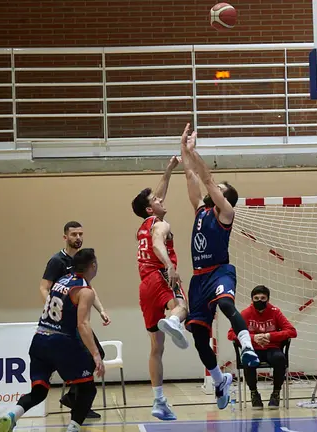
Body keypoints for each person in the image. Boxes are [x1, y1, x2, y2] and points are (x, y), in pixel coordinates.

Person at [178, 123, 259, 410]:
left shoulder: (226, 212)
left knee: (226, 305)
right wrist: (183, 147)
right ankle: (218, 380)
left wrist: (193, 151)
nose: (214, 187)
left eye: (220, 189)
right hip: (198, 279)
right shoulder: (201, 209)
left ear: (225, 196)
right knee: (200, 337)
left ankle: (247, 346)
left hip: (220, 272)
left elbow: (206, 177)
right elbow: (191, 175)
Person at [0, 249, 105, 432]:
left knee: (39, 391)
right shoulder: (85, 290)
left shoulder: (60, 281)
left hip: (39, 340)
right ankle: (73, 427)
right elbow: (83, 325)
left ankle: (12, 415)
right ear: (93, 265)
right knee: (88, 389)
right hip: (61, 342)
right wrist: (96, 355)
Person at [131, 156, 189, 421]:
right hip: (159, 275)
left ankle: (159, 402)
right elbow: (157, 244)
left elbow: (159, 192)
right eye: (155, 200)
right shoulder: (160, 224)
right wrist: (170, 265)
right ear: (150, 209)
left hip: (144, 286)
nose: (161, 199)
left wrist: (169, 168)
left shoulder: (142, 225)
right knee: (183, 308)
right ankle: (174, 321)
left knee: (156, 348)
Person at [39, 221, 108, 419]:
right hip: (64, 321)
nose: (78, 238)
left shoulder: (80, 260)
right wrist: (53, 309)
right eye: (74, 234)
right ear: (65, 237)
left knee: (96, 353)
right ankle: (78, 401)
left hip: (77, 318)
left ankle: (75, 398)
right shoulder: (57, 261)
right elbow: (44, 287)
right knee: (88, 355)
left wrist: (101, 310)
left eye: (80, 234)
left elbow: (88, 287)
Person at [227, 285, 297, 409]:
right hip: (253, 348)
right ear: (252, 299)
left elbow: (292, 331)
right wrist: (253, 337)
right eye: (256, 298)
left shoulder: (275, 311)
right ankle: (254, 393)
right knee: (248, 359)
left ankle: (276, 393)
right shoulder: (245, 313)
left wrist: (270, 336)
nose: (259, 300)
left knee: (280, 359)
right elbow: (231, 333)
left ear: (268, 300)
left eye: (263, 298)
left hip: (272, 348)